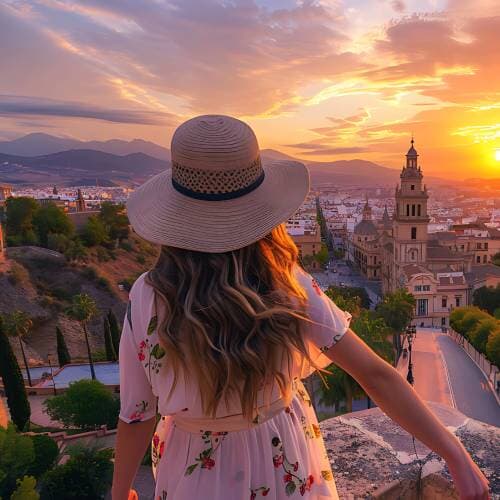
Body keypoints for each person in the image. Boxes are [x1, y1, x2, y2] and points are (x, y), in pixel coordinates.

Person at [112, 115, 489, 500]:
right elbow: (376, 375)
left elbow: (137, 414)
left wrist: (121, 490)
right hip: (283, 461)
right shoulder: (288, 285)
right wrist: (455, 455)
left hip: (195, 473)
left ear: (175, 212)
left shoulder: (147, 296)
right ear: (261, 209)